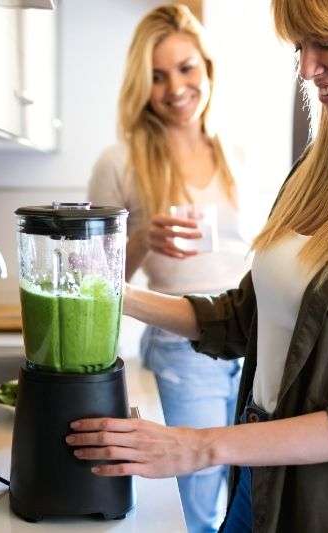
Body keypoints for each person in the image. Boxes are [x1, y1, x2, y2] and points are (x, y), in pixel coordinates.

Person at [70, 1, 328, 532]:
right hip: (259, 477)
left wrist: (197, 447)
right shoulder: (319, 167)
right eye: (299, 47)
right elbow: (246, 318)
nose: (308, 69)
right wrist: (108, 292)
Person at [87, 5, 254, 531]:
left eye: (186, 68)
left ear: (207, 68)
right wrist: (140, 239)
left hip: (250, 336)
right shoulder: (121, 160)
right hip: (183, 345)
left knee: (246, 491)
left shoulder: (236, 152)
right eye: (157, 76)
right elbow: (93, 273)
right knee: (198, 500)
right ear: (141, 84)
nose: (175, 87)